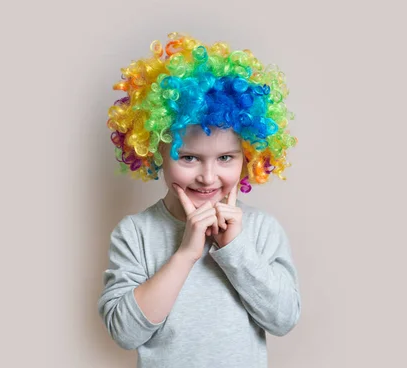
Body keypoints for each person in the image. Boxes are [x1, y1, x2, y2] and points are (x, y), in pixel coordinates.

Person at [97, 32, 301, 368]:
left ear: (248, 157)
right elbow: (124, 333)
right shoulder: (136, 233)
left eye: (225, 158)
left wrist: (234, 249)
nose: (208, 177)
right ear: (156, 151)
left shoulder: (263, 230)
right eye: (188, 157)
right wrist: (186, 254)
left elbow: (283, 319)